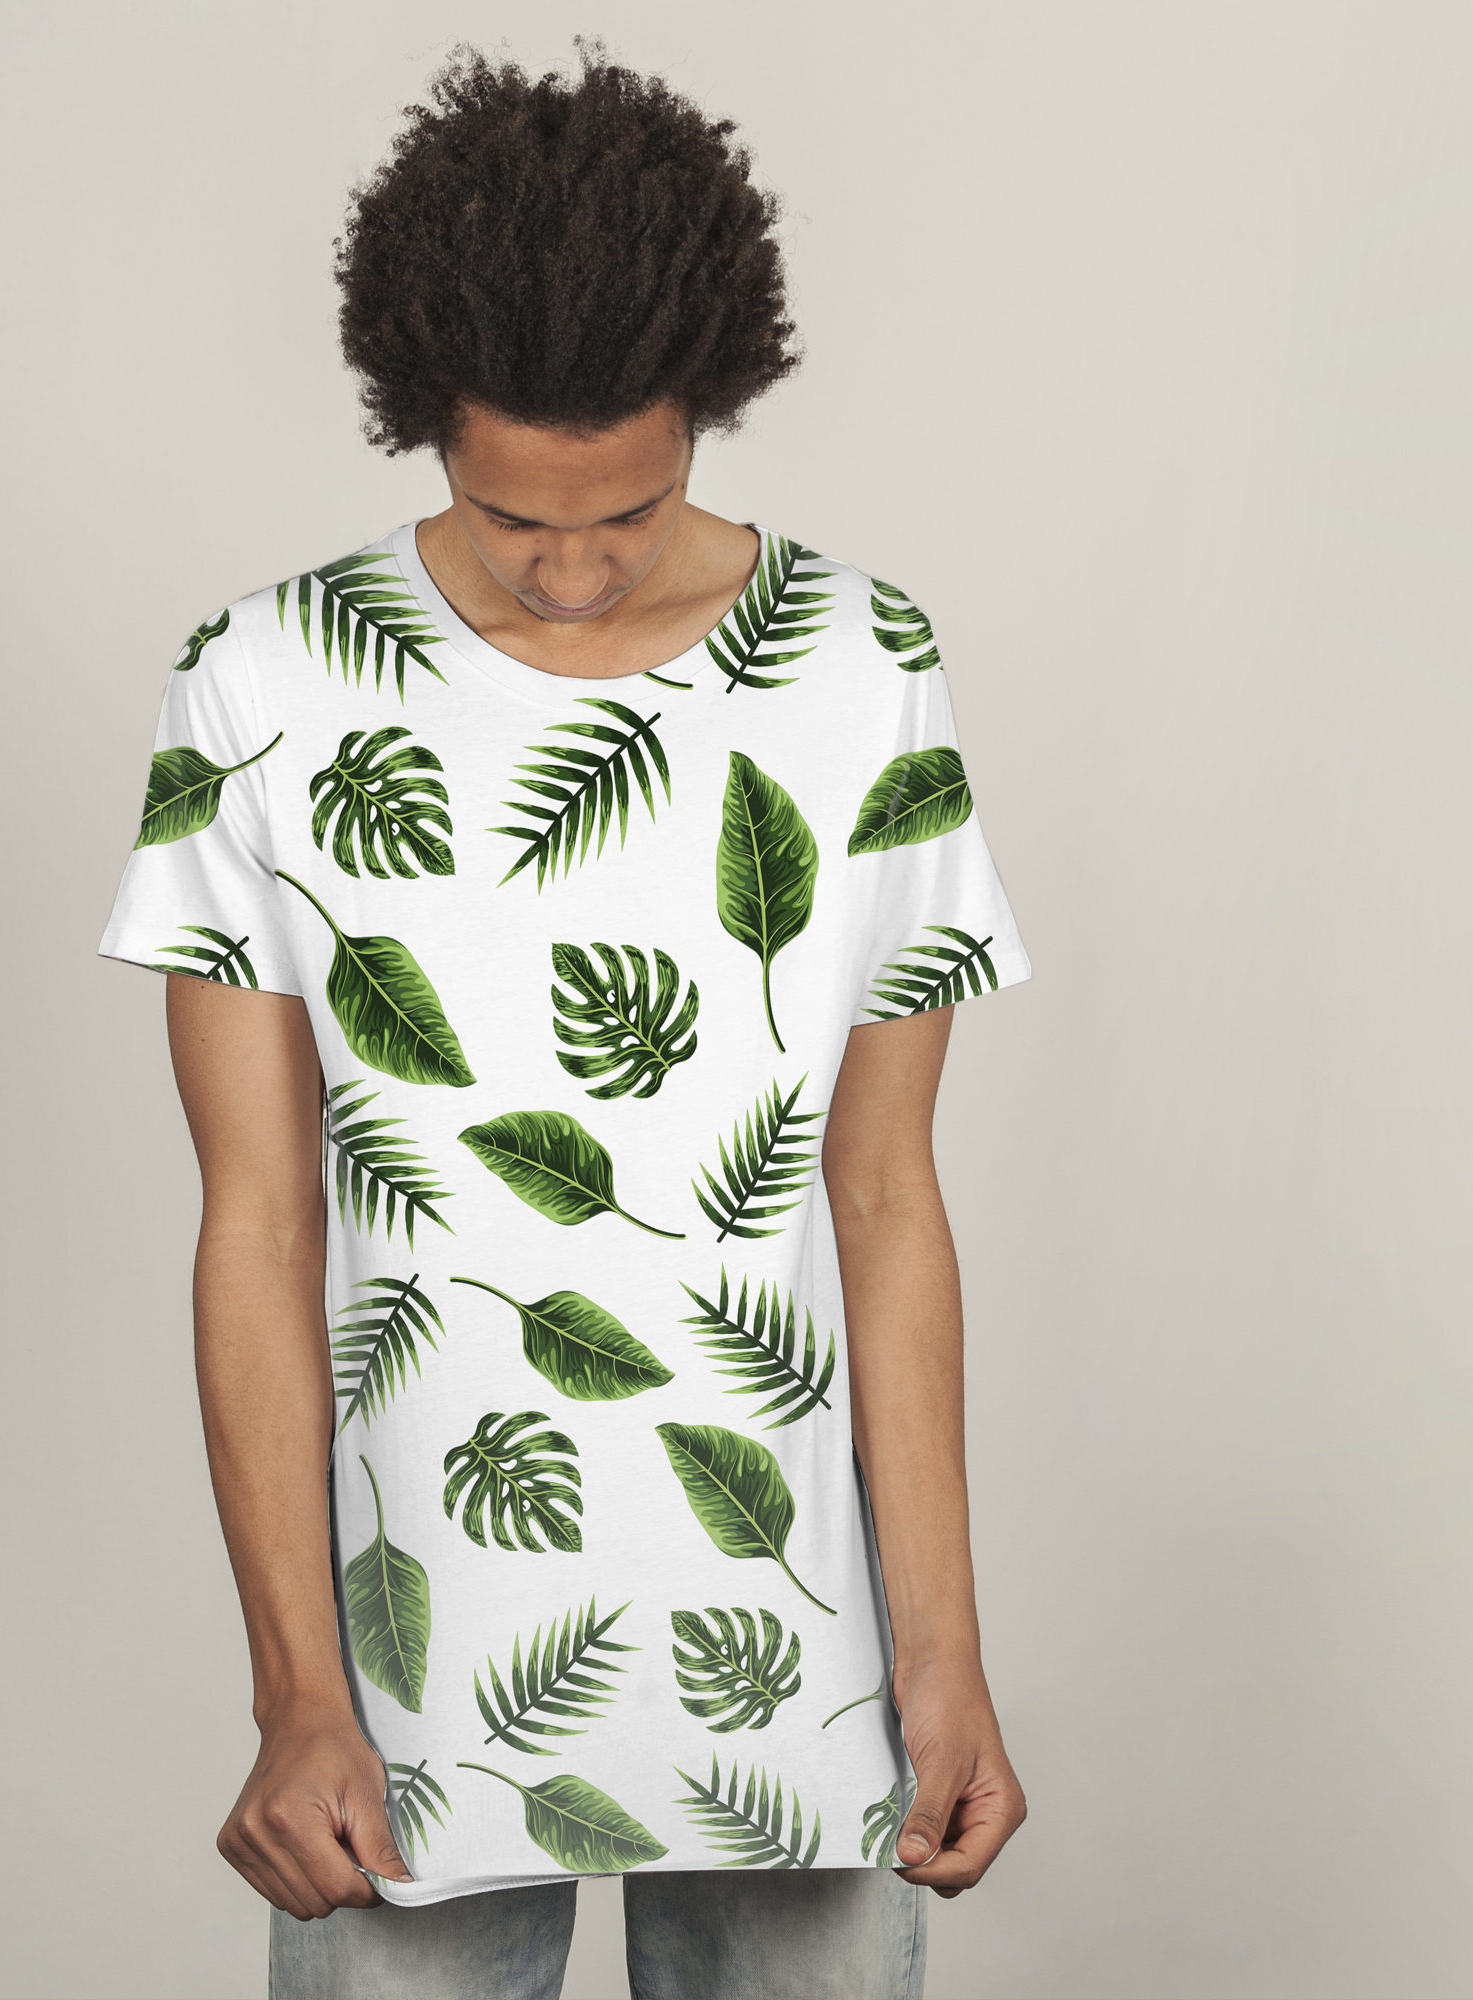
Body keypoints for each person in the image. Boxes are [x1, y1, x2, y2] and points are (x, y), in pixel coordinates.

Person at [99, 44, 1031, 2000]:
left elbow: (881, 1197)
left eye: (634, 507)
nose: (577, 570)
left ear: (709, 409)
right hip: (407, 1675)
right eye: (513, 516)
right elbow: (256, 1224)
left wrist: (944, 1662)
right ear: (421, 422)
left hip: (799, 1659)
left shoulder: (864, 668)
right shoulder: (264, 688)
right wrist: (292, 1691)